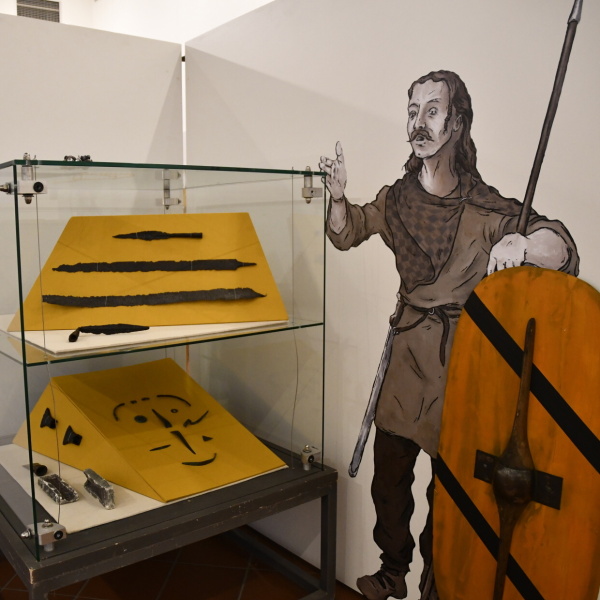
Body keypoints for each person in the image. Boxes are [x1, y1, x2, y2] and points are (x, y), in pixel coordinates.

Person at [319, 70, 579, 600]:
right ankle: (393, 570)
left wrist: (524, 246)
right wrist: (339, 197)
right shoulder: (397, 200)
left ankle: (435, 584)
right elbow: (347, 233)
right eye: (413, 111)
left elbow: (563, 250)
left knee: (449, 487)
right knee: (389, 478)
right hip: (406, 359)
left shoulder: (486, 209)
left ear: (457, 123)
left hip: (459, 364)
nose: (419, 122)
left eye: (432, 111)